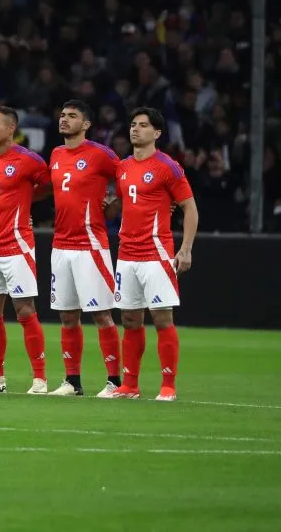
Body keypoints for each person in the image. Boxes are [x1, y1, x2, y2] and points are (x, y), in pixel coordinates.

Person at [105, 107, 198, 401]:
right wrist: (107, 207)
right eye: (133, 125)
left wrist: (185, 249)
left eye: (143, 126)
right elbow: (122, 205)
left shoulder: (167, 166)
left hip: (156, 253)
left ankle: (168, 386)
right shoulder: (122, 167)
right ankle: (130, 385)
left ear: (156, 133)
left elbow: (190, 207)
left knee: (162, 318)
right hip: (127, 254)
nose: (135, 130)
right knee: (130, 321)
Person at [0, 106, 51, 394]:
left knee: (24, 309)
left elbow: (48, 187)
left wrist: (26, 203)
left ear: (11, 128)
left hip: (17, 246)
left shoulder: (30, 161)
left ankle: (39, 379)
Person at [47, 100, 122, 397]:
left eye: (72, 116)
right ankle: (72, 381)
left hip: (90, 244)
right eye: (62, 115)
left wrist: (115, 201)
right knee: (67, 316)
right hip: (60, 245)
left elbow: (128, 177)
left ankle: (115, 382)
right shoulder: (55, 153)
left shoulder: (101, 154)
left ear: (86, 124)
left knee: (102, 315)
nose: (64, 120)